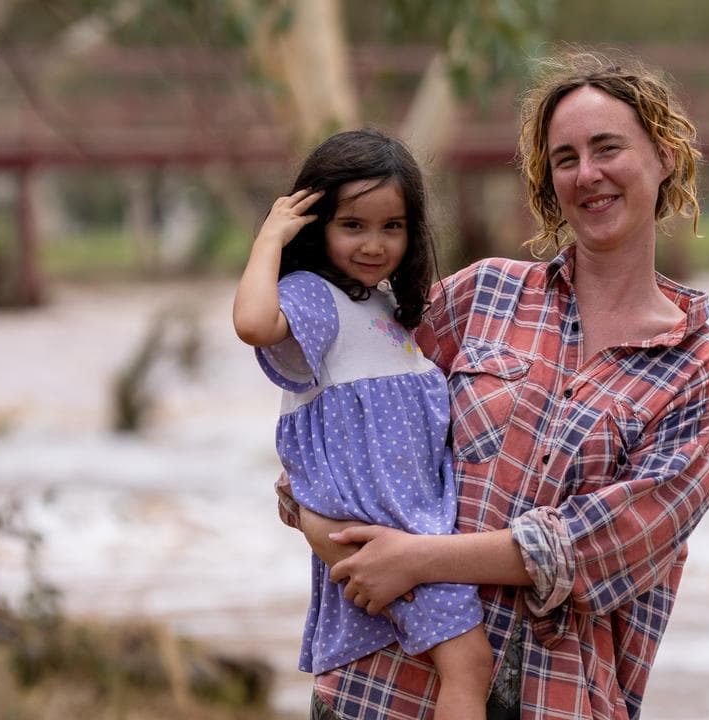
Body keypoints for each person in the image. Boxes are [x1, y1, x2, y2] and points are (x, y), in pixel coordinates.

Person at [282, 48, 709, 720]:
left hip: (553, 699)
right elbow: (337, 405)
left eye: (607, 148)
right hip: (382, 687)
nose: (588, 175)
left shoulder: (700, 368)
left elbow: (600, 545)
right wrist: (314, 509)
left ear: (665, 154)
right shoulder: (481, 296)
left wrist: (416, 560)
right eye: (565, 158)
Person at [233, 128, 495, 720]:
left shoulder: (381, 309)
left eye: (391, 226)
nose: (374, 245)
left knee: (444, 674)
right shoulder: (313, 297)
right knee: (470, 665)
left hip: (415, 533)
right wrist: (270, 237)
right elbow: (252, 323)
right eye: (353, 225)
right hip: (387, 536)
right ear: (316, 224)